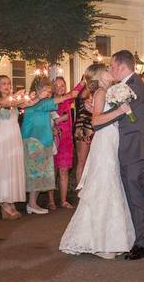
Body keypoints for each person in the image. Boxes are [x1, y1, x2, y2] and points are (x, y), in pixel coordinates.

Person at [59, 63, 135, 258]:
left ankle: (105, 238)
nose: (111, 71)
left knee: (108, 185)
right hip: (104, 142)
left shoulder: (106, 91)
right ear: (99, 75)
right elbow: (95, 121)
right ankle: (101, 242)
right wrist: (120, 111)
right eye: (107, 69)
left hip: (110, 139)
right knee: (105, 185)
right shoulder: (101, 91)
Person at [104, 50, 144, 259]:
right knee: (131, 196)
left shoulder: (133, 87)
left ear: (122, 67)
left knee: (137, 197)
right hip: (129, 150)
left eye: (112, 66)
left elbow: (116, 112)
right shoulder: (128, 85)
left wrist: (97, 117)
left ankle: (142, 244)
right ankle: (135, 239)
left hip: (138, 151)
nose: (110, 70)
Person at [21, 77, 82, 214]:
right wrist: (70, 94)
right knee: (35, 174)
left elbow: (53, 108)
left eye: (49, 91)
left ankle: (32, 204)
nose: (48, 94)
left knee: (40, 174)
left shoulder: (43, 103)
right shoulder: (31, 103)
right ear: (37, 90)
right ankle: (32, 204)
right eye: (46, 91)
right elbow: (56, 100)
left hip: (44, 140)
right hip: (33, 141)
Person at [0, 75, 26, 220]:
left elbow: (26, 104)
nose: (7, 86)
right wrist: (15, 97)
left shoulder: (14, 101)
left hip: (15, 135)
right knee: (4, 168)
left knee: (13, 168)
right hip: (4, 135)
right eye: (3, 84)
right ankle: (4, 202)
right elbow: (4, 106)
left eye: (8, 83)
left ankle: (11, 199)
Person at [51, 76, 76, 209]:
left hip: (66, 141)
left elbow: (76, 91)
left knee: (64, 171)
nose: (60, 88)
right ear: (53, 88)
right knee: (52, 170)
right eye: (57, 86)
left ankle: (63, 200)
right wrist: (59, 120)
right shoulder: (50, 102)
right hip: (54, 140)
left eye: (62, 86)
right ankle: (51, 201)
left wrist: (84, 80)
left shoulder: (67, 100)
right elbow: (47, 121)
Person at [73, 84, 94, 183]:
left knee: (92, 162)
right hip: (83, 127)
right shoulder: (82, 94)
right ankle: (80, 192)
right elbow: (81, 96)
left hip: (96, 127)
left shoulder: (99, 91)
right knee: (82, 161)